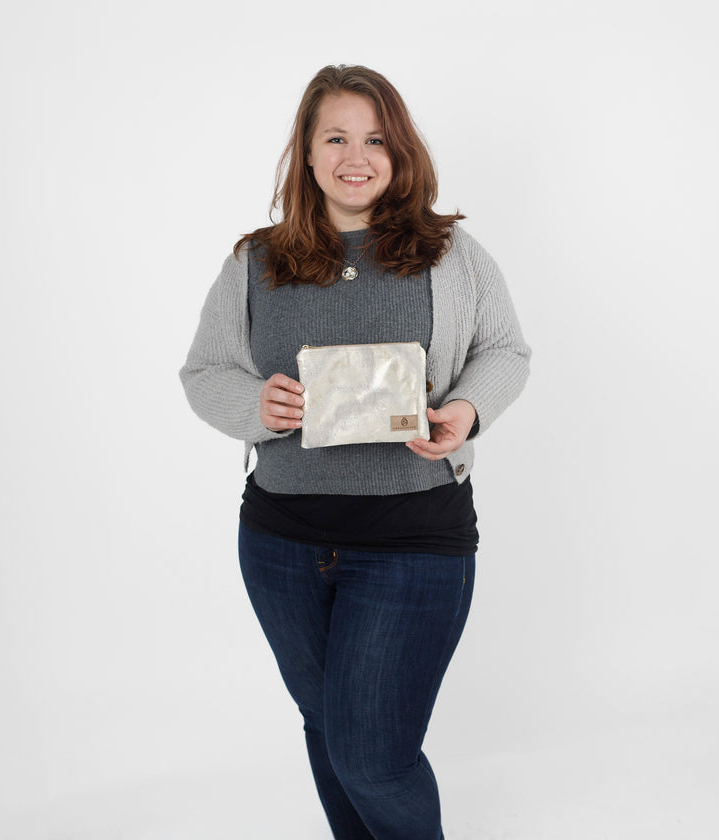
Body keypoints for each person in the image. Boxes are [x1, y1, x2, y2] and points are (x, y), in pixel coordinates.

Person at [180, 64, 530, 840]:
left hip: (414, 539)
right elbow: (204, 372)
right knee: (328, 730)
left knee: (373, 756)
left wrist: (465, 412)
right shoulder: (255, 261)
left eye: (375, 139)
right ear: (305, 153)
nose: (355, 156)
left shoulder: (450, 253)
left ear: (400, 153)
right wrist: (255, 405)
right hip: (280, 542)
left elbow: (505, 350)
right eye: (335, 137)